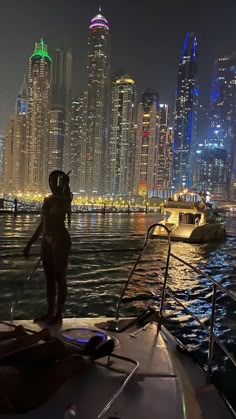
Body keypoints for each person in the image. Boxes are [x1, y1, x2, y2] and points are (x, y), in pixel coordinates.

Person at [24, 171, 72, 325]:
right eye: (51, 180)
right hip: (46, 239)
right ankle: (50, 312)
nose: (53, 183)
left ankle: (58, 314)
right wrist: (30, 243)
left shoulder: (65, 197)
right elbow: (42, 224)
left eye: (56, 180)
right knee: (49, 279)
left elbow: (65, 201)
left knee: (60, 278)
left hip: (60, 240)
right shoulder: (48, 199)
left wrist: (65, 184)